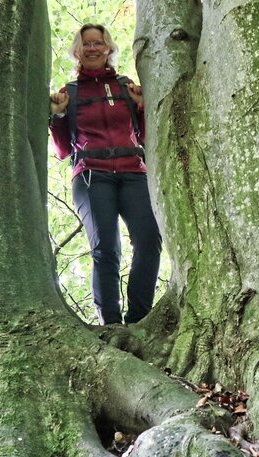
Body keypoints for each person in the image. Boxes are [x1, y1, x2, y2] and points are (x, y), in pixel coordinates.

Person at [49, 23, 162, 325]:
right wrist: (58, 114)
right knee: (106, 247)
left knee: (150, 240)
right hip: (91, 176)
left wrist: (141, 107)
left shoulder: (126, 87)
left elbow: (147, 137)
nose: (93, 48)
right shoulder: (69, 93)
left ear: (109, 48)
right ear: (77, 51)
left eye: (98, 42)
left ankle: (139, 319)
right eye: (86, 44)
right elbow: (62, 150)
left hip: (133, 172)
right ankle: (111, 325)